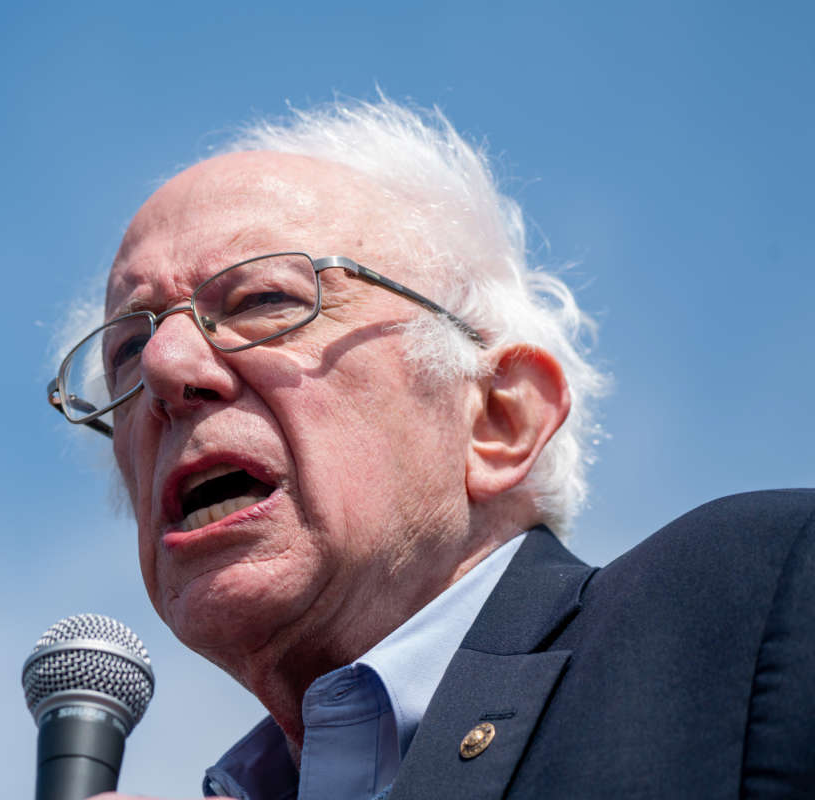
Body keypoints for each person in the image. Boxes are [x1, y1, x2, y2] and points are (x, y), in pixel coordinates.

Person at [46, 97, 815, 799]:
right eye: (126, 348)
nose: (164, 368)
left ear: (497, 419)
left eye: (264, 300)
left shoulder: (762, 596)